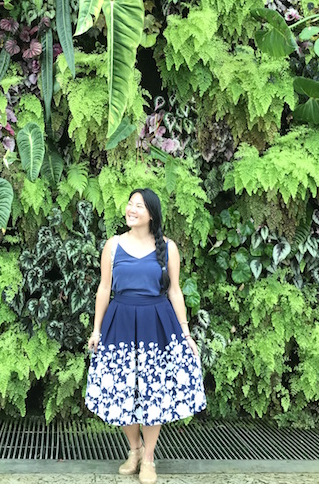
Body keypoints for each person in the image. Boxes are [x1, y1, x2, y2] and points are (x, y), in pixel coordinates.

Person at [85, 188, 206, 484]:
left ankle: (149, 459)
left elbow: (175, 291)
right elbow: (104, 288)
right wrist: (96, 329)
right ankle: (135, 450)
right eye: (129, 204)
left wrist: (186, 332)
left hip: (157, 325)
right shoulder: (112, 246)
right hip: (121, 323)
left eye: (138, 206)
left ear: (151, 214)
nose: (131, 209)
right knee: (123, 390)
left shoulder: (168, 247)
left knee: (155, 393)